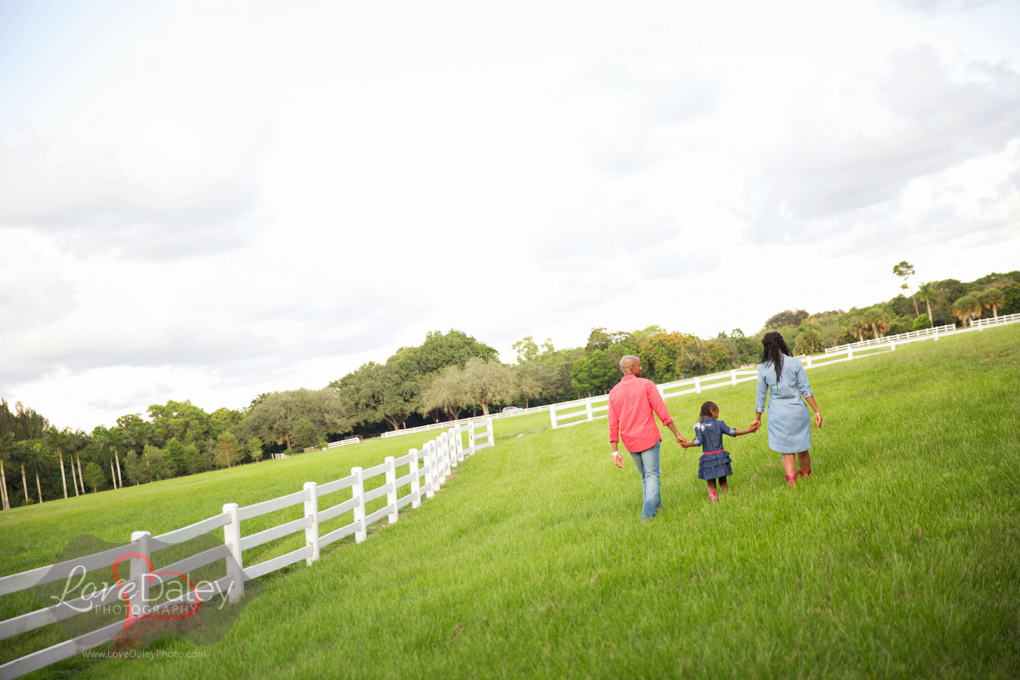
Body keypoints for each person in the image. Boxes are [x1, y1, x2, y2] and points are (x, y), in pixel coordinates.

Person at [608, 355, 686, 520]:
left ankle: (657, 512)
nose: (641, 368)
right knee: (652, 476)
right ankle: (647, 516)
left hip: (630, 441)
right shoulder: (646, 384)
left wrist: (615, 451)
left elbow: (613, 423)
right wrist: (676, 433)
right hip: (648, 438)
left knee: (646, 476)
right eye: (639, 366)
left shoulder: (614, 392)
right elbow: (661, 410)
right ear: (631, 368)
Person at [752, 332, 823, 486]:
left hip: (778, 415)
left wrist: (757, 419)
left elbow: (761, 397)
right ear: (781, 343)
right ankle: (807, 478)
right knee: (802, 447)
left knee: (787, 452)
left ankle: (793, 486)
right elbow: (806, 390)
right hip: (798, 412)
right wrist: (817, 410)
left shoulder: (763, 368)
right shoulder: (795, 363)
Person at [680, 401, 759, 501]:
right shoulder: (719, 423)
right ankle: (727, 497)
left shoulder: (699, 426)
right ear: (712, 411)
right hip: (721, 457)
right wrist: (748, 430)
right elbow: (732, 432)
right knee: (723, 482)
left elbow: (698, 441)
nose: (717, 415)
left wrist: (686, 444)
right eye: (717, 412)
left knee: (711, 485)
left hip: (708, 459)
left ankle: (714, 498)